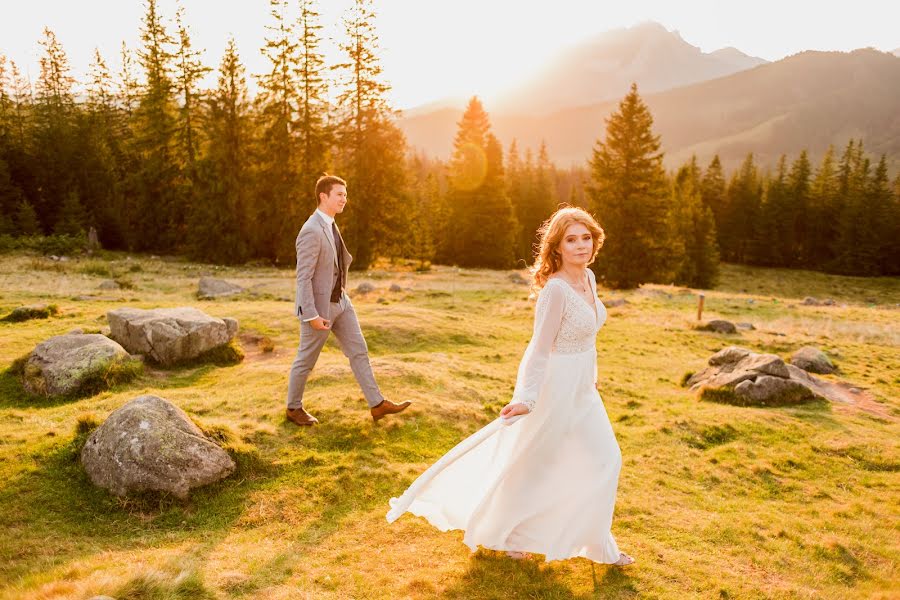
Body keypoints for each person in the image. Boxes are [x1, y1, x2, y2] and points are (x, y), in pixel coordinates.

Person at [386, 206, 633, 566]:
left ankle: (595, 543)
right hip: (554, 388)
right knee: (534, 463)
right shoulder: (556, 291)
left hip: (583, 390)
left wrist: (592, 377)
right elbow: (539, 348)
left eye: (586, 238)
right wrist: (527, 398)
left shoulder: (590, 279)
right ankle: (503, 533)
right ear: (558, 247)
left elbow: (589, 339)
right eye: (571, 239)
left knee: (605, 459)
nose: (581, 246)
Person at [286, 174, 411, 425]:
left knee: (359, 351)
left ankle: (377, 404)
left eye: (345, 194)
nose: (345, 199)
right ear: (324, 196)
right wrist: (311, 315)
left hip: (341, 302)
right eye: (340, 194)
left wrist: (342, 294)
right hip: (319, 310)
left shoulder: (330, 223)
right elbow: (303, 277)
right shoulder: (311, 230)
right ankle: (293, 408)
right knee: (306, 360)